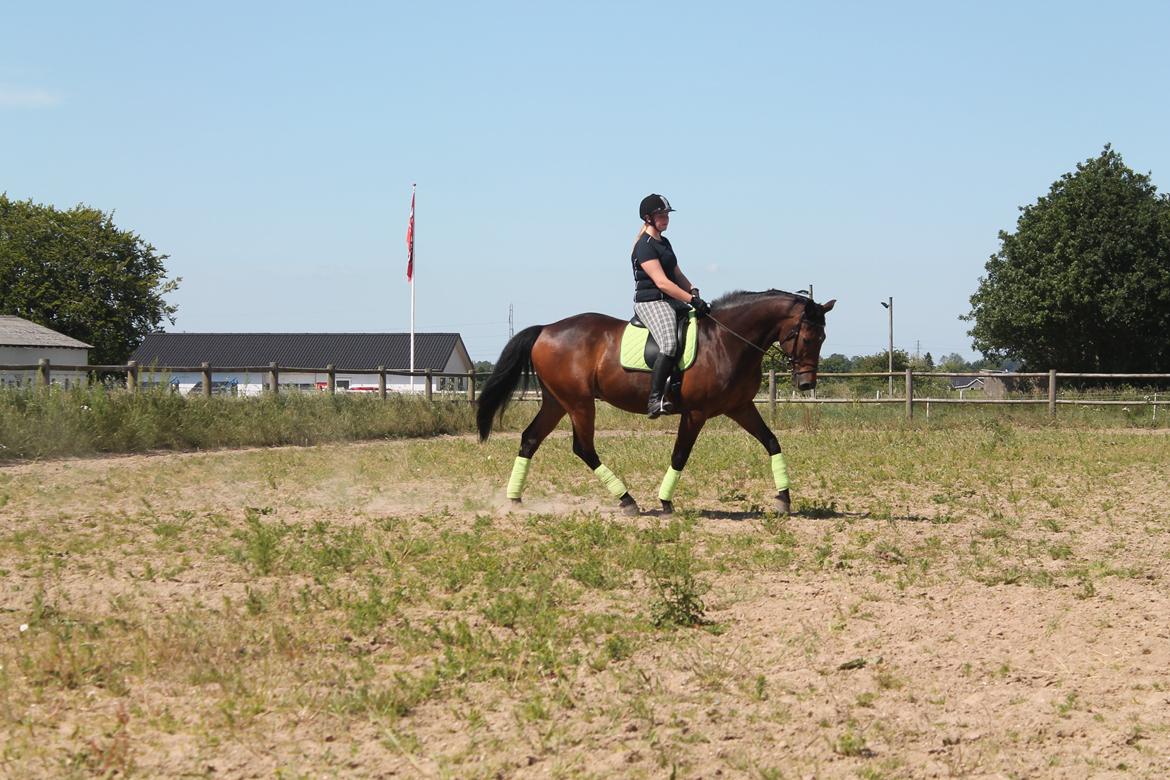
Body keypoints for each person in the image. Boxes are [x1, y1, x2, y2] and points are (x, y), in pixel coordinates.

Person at [631, 193, 711, 418]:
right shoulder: (644, 247)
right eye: (661, 214)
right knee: (669, 344)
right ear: (648, 218)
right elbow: (662, 283)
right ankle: (654, 399)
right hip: (651, 302)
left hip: (671, 300)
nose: (666, 218)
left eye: (667, 214)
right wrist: (690, 299)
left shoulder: (664, 242)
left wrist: (693, 289)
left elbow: (676, 274)